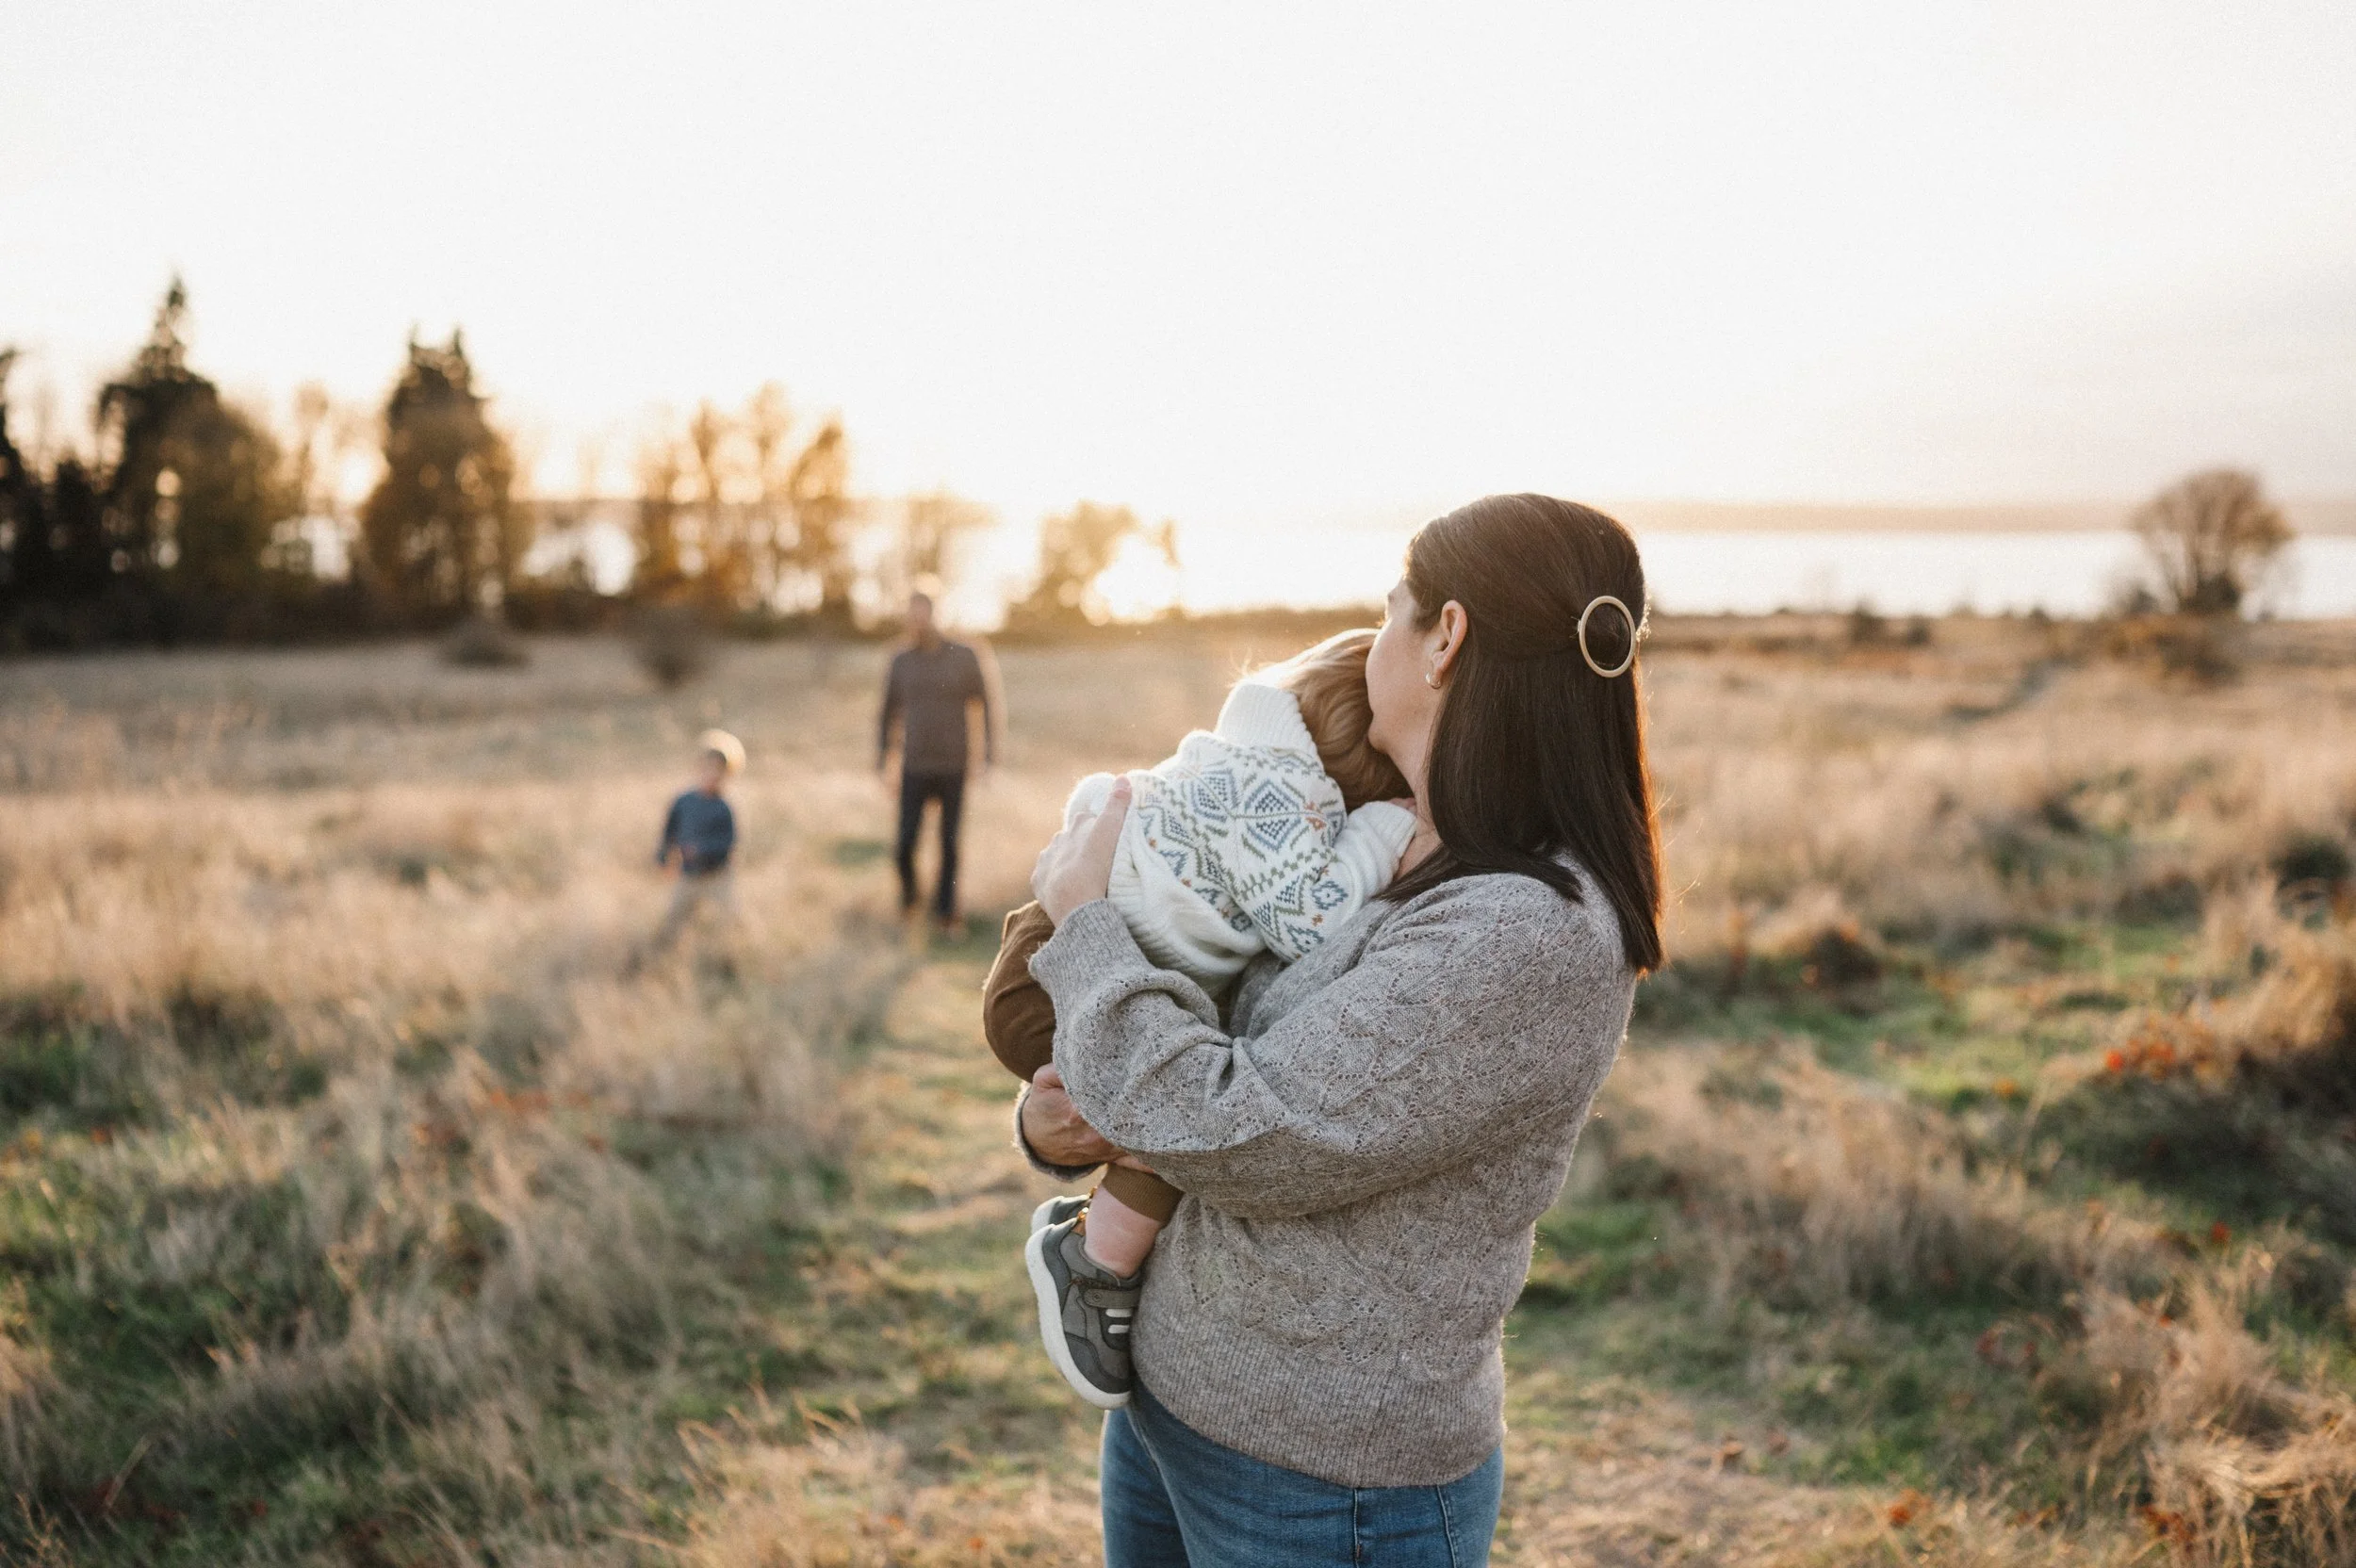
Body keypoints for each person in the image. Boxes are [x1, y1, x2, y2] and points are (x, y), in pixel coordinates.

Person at [1015, 495, 1663, 1567]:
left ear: (1446, 636)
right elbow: (1213, 1030)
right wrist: (1064, 1118)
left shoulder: (1522, 927)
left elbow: (1246, 1131)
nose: (1373, 634)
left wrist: (1084, 920)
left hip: (1319, 1485)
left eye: (1390, 607)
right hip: (1168, 1401)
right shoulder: (1377, 827)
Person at [981, 629, 1415, 1408]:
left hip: (1048, 948)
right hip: (1068, 968)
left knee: (1178, 1088)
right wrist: (1382, 830)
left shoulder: (1236, 746)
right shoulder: (1288, 801)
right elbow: (1309, 921)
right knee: (1179, 1098)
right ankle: (1095, 1262)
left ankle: (1095, 1254)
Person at [876, 591, 994, 933]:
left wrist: (987, 756)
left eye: (923, 613)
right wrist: (883, 759)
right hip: (913, 766)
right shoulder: (900, 660)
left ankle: (947, 915)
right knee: (904, 845)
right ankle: (911, 903)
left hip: (954, 765)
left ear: (934, 614)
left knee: (950, 845)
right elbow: (886, 712)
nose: (918, 621)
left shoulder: (965, 656)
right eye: (912, 615)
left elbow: (986, 704)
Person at [644, 728, 744, 959]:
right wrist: (663, 858)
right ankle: (660, 958)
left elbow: (728, 843)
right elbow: (669, 832)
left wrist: (702, 850)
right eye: (708, 768)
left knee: (726, 921)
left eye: (719, 771)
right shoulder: (684, 801)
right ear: (699, 767)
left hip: (717, 875)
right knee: (675, 918)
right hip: (689, 874)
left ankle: (726, 960)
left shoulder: (725, 807)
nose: (712, 774)